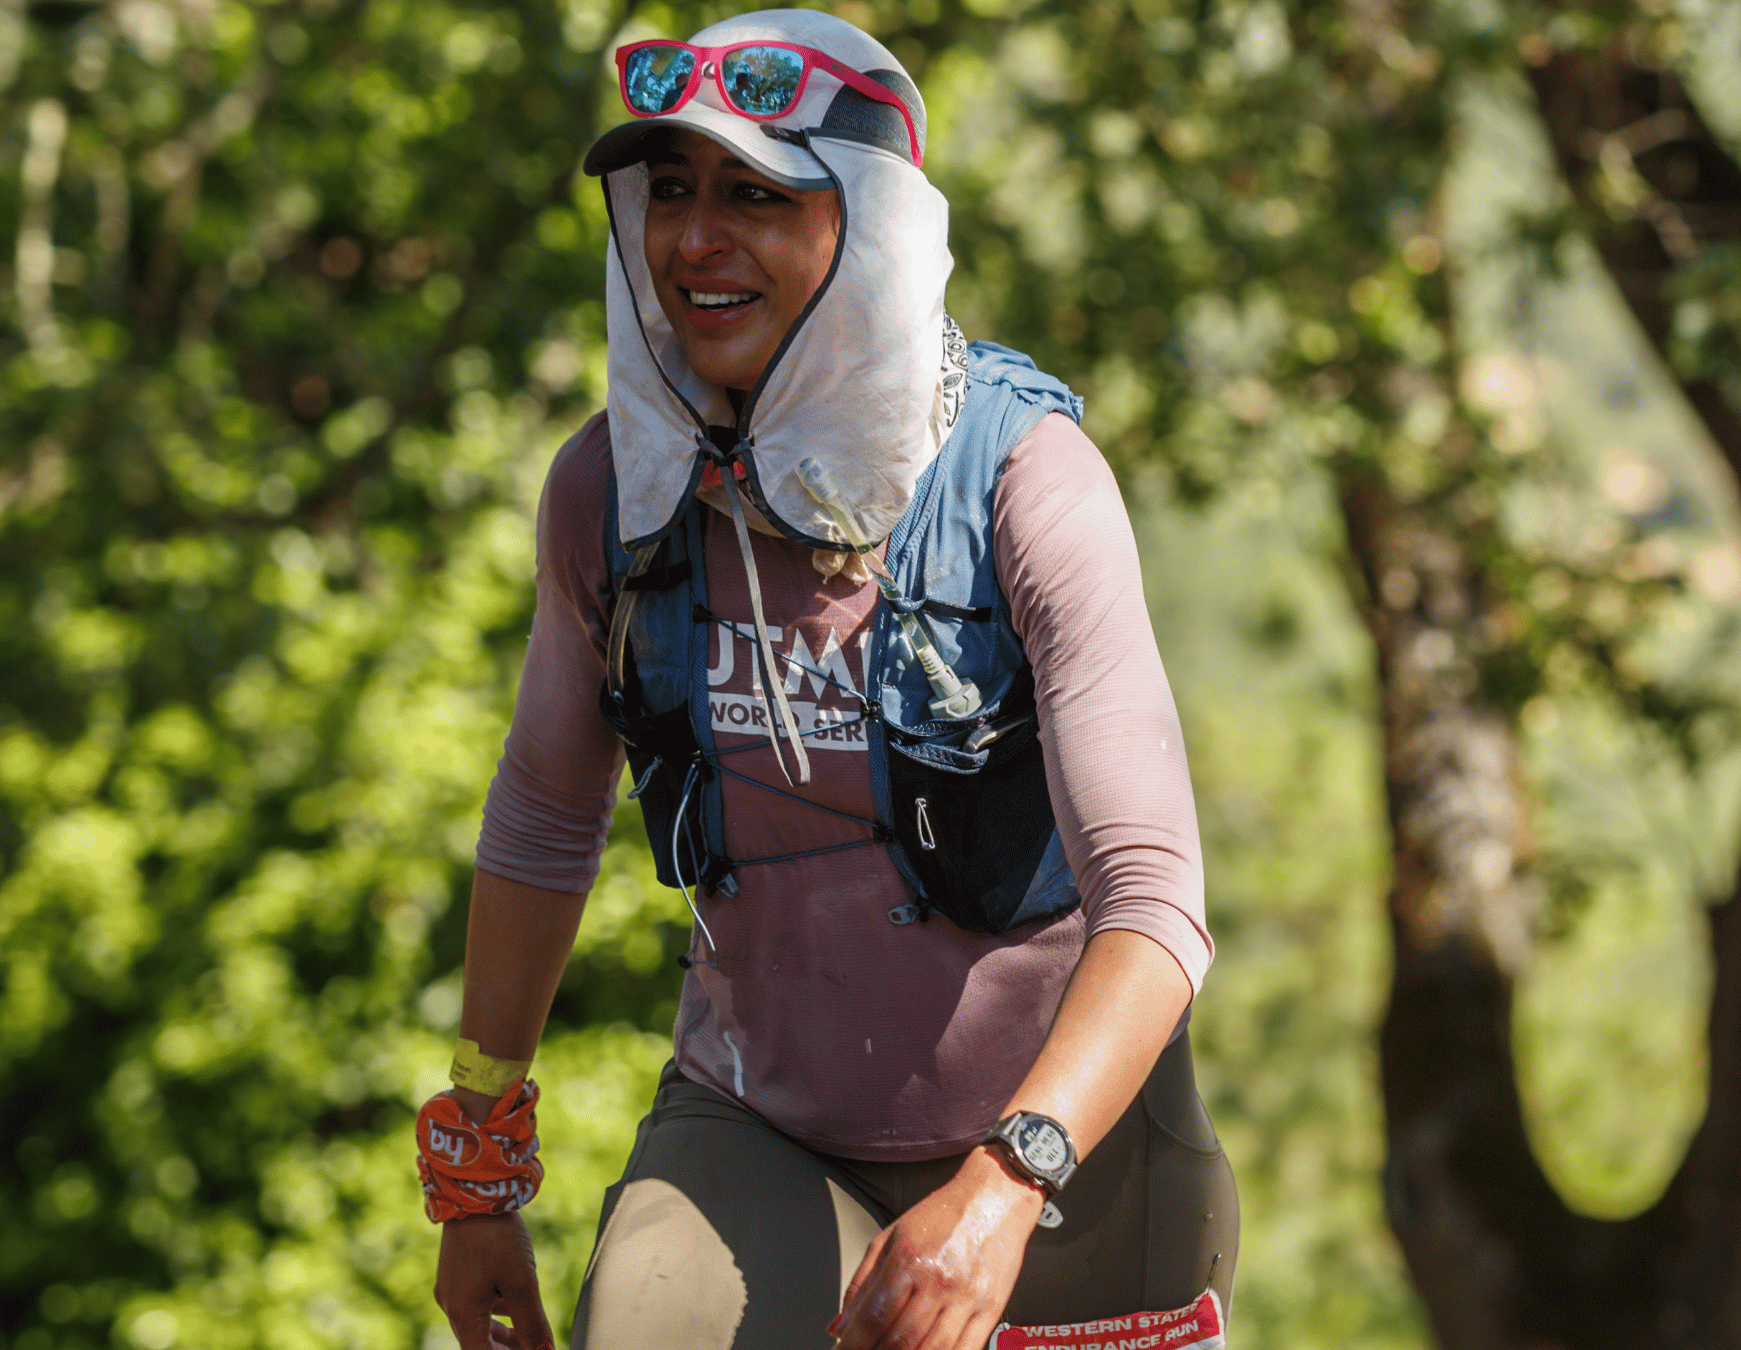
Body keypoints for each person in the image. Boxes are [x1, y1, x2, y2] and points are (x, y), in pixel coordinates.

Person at [416, 11, 1238, 1350]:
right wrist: (475, 1161)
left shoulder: (1026, 483)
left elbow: (1155, 899)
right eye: (669, 190)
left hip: (1073, 1159)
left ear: (869, 226)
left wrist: (1007, 1182)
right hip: (761, 1122)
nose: (694, 241)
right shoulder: (609, 496)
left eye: (755, 194)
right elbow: (544, 816)